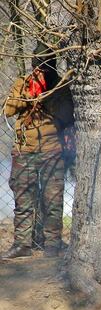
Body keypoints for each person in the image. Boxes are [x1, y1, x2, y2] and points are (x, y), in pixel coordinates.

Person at [2, 45, 74, 259]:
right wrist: (28, 94)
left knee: (53, 200)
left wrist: (48, 93)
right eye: (39, 65)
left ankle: (52, 243)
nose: (42, 70)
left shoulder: (61, 86)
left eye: (47, 65)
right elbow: (8, 109)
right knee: (23, 201)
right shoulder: (23, 83)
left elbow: (68, 117)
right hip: (25, 150)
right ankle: (22, 243)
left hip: (53, 150)